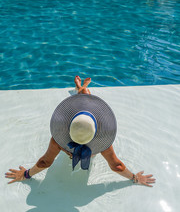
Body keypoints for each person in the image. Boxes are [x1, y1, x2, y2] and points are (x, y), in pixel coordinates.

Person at [5, 76, 156, 187]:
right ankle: (81, 89)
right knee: (86, 98)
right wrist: (135, 178)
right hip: (91, 148)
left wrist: (26, 175)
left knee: (85, 99)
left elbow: (45, 162)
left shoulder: (58, 140)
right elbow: (117, 166)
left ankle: (80, 89)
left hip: (70, 142)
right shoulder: (103, 141)